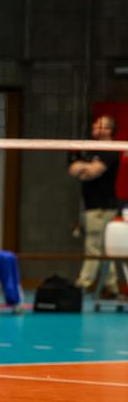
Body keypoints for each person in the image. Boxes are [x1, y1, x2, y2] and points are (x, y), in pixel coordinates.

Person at [69, 114, 121, 296]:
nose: (94, 127)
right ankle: (111, 286)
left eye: (99, 125)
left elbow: (92, 172)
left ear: (108, 130)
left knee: (94, 245)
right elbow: (74, 170)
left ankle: (84, 283)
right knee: (103, 247)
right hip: (91, 205)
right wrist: (85, 168)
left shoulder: (111, 149)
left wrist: (84, 168)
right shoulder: (91, 148)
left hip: (102, 206)